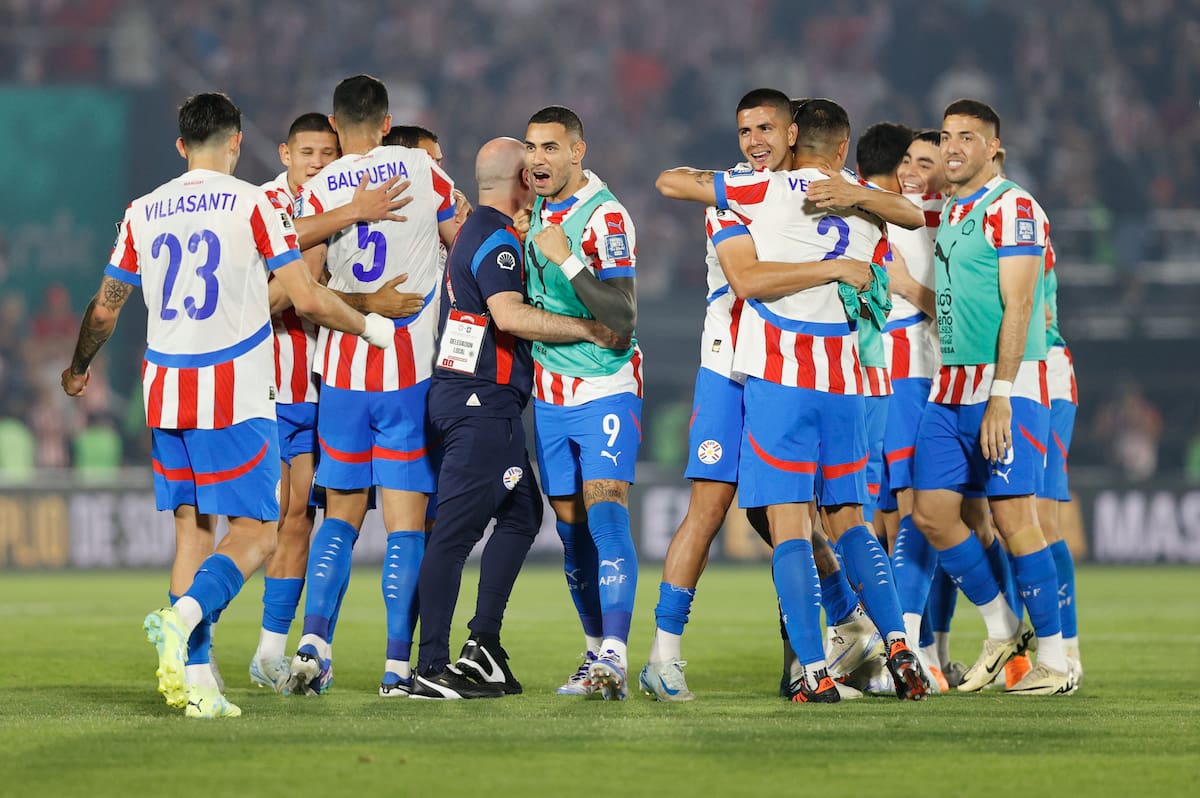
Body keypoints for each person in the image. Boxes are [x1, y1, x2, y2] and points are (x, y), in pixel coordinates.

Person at [60, 92, 395, 718]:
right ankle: (182, 617)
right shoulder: (256, 204)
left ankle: (198, 687)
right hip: (233, 392)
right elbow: (306, 298)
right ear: (237, 142)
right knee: (258, 534)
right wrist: (371, 327)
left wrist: (79, 368)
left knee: (193, 532)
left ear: (181, 145)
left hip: (165, 392)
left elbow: (105, 308)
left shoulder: (142, 210)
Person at [655, 98, 930, 703]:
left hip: (777, 375)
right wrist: (850, 224)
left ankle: (810, 669)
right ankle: (898, 644)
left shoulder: (757, 191)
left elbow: (671, 185)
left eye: (766, 129)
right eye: (746, 131)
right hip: (850, 381)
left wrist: (724, 181)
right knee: (851, 523)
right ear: (843, 147)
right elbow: (910, 215)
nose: (755, 141)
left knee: (788, 530)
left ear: (793, 134)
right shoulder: (866, 199)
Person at [411, 138, 626, 699]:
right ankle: (431, 665)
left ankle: (483, 645)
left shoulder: (476, 230)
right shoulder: (498, 241)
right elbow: (508, 315)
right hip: (481, 403)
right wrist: (588, 329)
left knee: (523, 513)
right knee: (455, 535)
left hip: (469, 399)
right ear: (523, 180)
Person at [285, 74, 461, 697]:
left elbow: (305, 293)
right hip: (407, 373)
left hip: (340, 375)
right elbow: (465, 241)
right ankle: (395, 667)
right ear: (387, 124)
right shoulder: (422, 169)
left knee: (339, 517)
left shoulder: (317, 191)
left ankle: (313, 645)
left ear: (334, 127)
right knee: (406, 524)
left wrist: (359, 299)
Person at [248, 113, 425, 692]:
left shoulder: (349, 195)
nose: (319, 163)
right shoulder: (268, 206)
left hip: (326, 385)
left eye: (328, 152)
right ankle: (214, 636)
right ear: (285, 154)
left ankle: (284, 650)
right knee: (270, 521)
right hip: (273, 387)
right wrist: (368, 303)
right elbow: (281, 297)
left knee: (307, 517)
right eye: (307, 153)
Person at [910, 99, 1077, 695]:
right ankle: (1003, 626)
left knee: (1014, 520)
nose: (952, 147)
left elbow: (1021, 305)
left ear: (993, 148)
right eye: (946, 136)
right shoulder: (955, 208)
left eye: (967, 137)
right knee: (931, 514)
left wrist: (1002, 394)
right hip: (949, 387)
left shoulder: (1015, 207)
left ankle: (1055, 662)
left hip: (1008, 387)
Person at [523, 105, 641, 700]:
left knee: (606, 515)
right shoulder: (537, 208)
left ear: (577, 151)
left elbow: (623, 314)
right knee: (570, 533)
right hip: (549, 392)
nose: (537, 159)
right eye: (531, 147)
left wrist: (566, 257)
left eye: (550, 147)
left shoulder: (604, 216)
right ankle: (594, 653)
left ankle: (616, 653)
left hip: (604, 386)